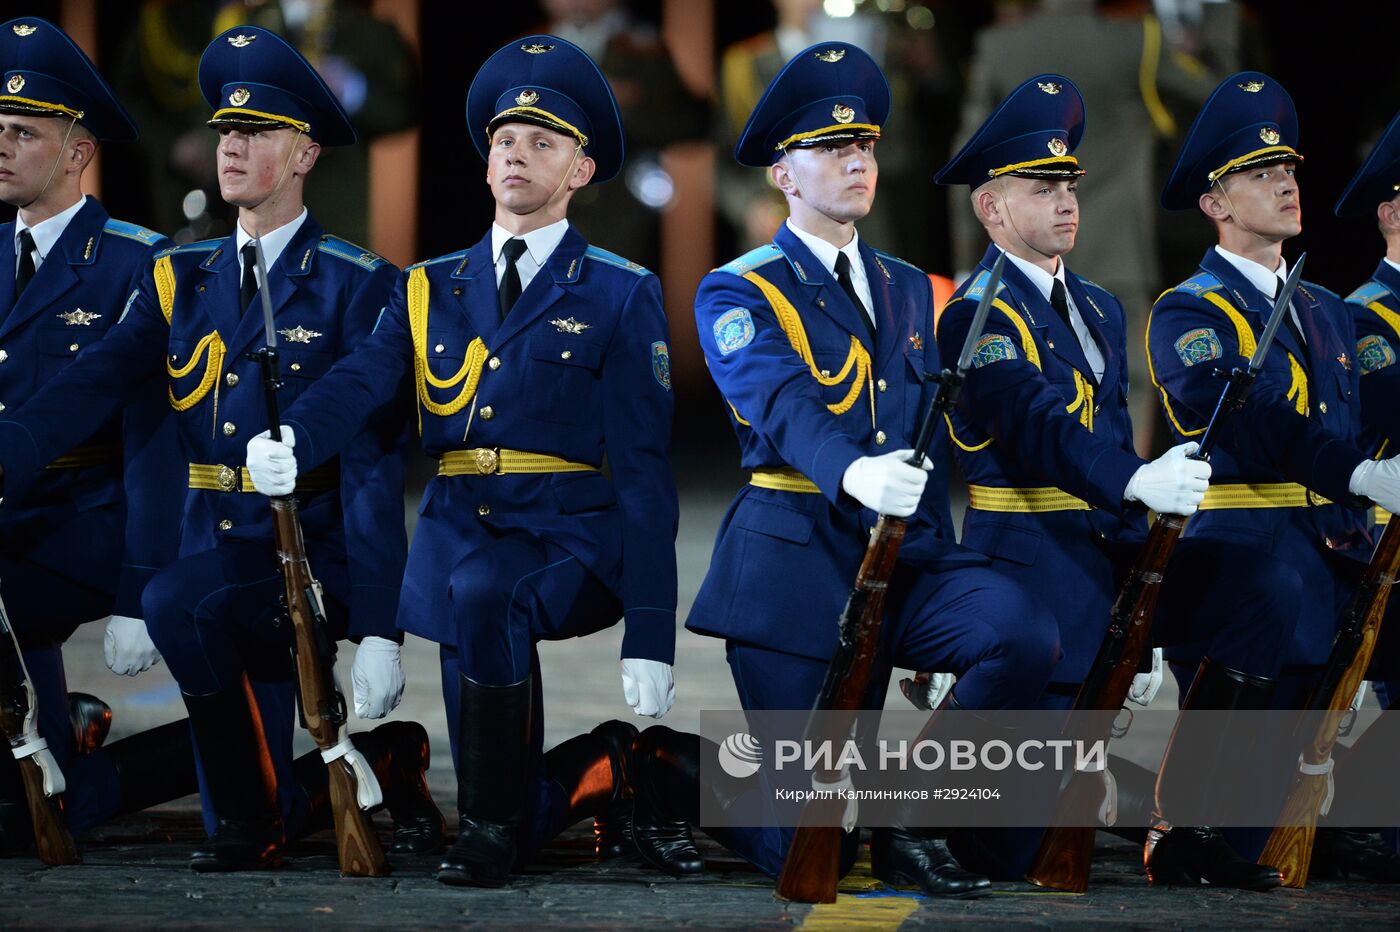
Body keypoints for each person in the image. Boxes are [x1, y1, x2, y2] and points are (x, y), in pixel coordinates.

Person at [243, 35, 685, 888]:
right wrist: (291, 437)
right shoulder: (426, 287)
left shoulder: (618, 290)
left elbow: (643, 465)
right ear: (486, 167)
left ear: (580, 173)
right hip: (457, 536)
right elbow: (361, 382)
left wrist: (651, 626)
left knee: (488, 595)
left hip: (569, 539)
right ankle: (593, 772)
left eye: (543, 143)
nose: (517, 154)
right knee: (472, 594)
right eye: (504, 142)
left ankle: (489, 827)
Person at [0, 24, 441, 872]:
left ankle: (269, 814)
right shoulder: (181, 275)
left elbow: (376, 465)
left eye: (258, 133)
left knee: (185, 613)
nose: (232, 147)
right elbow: (97, 381)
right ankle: (356, 771)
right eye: (225, 133)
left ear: (306, 154)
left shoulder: (362, 282)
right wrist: (9, 448)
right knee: (215, 681)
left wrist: (381, 625)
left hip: (310, 554)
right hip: (214, 548)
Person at [631, 41, 1060, 899]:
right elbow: (780, 401)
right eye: (831, 149)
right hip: (796, 565)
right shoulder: (739, 289)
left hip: (903, 561)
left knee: (1019, 630)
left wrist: (935, 556)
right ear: (784, 174)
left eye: (863, 146)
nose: (857, 161)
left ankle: (910, 815)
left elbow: (927, 433)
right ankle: (669, 773)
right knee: (811, 845)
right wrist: (854, 473)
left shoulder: (910, 286)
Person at [932, 72, 1295, 889]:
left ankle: (1191, 823)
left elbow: (1104, 426)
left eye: (1070, 185)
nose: (1066, 202)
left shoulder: (1095, 306)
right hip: (1034, 562)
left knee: (1255, 588)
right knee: (1021, 851)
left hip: (1108, 553)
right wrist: (1136, 484)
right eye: (1041, 187)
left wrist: (1145, 570)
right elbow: (1038, 430)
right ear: (991, 209)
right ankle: (931, 798)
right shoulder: (974, 315)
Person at [1148, 71, 1400, 877]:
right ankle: (1184, 832)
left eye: (1288, 170)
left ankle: (1352, 822)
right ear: (1216, 203)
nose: (1286, 183)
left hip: (1331, 545)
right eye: (1261, 174)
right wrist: (1359, 474)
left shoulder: (1325, 308)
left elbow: (1360, 424)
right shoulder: (1190, 310)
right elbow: (1256, 422)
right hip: (1247, 542)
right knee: (1271, 614)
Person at [0, 15, 196, 852]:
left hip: (93, 516)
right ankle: (59, 754)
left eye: (23, 133)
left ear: (77, 152)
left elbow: (155, 441)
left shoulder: (137, 262)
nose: (1, 146)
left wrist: (135, 591)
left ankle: (81, 759)